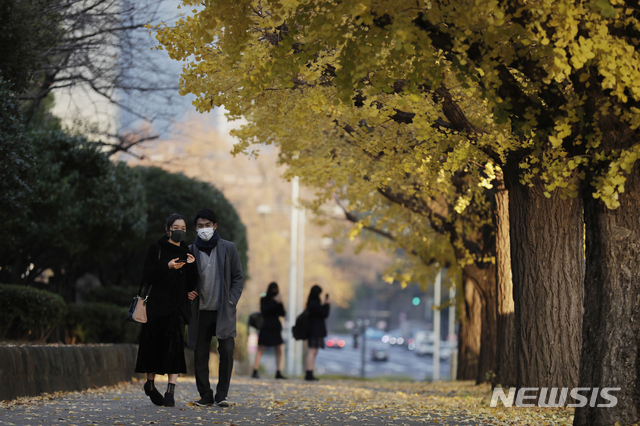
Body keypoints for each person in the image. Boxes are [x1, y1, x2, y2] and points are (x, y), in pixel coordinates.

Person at [135, 213, 198, 407]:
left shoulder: (187, 251)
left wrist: (192, 269)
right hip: (155, 307)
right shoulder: (156, 248)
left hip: (177, 307)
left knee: (174, 349)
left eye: (183, 228)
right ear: (168, 229)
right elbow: (148, 274)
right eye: (176, 228)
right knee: (153, 348)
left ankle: (171, 390)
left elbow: (191, 282)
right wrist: (167, 266)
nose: (180, 231)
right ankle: (151, 386)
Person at [186, 208, 244, 407]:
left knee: (227, 351)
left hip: (223, 312)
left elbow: (238, 278)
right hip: (200, 312)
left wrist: (231, 300)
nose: (204, 229)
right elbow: (183, 279)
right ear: (195, 228)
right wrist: (187, 292)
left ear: (215, 226)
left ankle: (222, 396)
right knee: (200, 354)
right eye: (200, 226)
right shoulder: (190, 250)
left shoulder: (229, 248)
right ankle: (206, 395)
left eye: (207, 225)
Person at [252, 282, 286, 379]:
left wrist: (280, 303)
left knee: (279, 349)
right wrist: (273, 301)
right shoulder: (264, 299)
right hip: (266, 327)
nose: (275, 291)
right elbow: (264, 310)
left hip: (275, 328)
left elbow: (283, 313)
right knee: (261, 349)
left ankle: (278, 371)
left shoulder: (278, 301)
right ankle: (255, 370)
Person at [305, 284, 330, 381]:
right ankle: (309, 372)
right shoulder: (314, 304)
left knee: (314, 351)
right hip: (315, 330)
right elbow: (324, 313)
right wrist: (327, 305)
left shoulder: (311, 303)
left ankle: (310, 372)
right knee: (312, 351)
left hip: (313, 330)